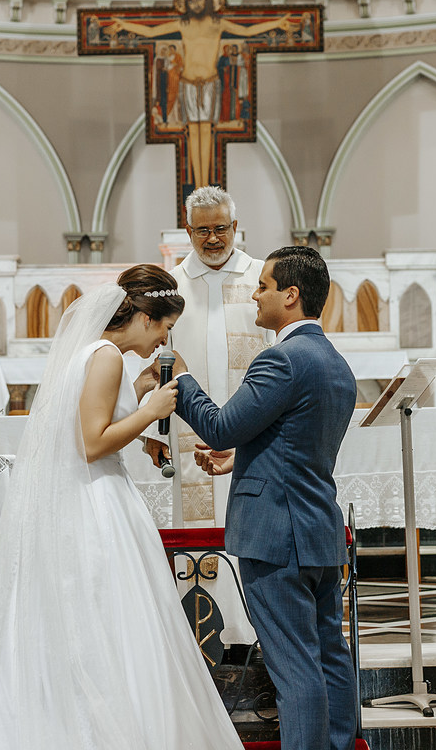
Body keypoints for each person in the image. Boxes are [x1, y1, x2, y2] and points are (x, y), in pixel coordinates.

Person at [0, 265, 243, 750]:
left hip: (83, 497)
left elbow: (84, 427)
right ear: (146, 317)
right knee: (109, 621)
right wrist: (150, 412)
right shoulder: (105, 356)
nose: (165, 340)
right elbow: (89, 443)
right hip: (94, 505)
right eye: (166, 328)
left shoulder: (95, 352)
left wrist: (142, 423)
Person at [176, 245, 358, 750]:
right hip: (317, 529)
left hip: (277, 536)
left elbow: (219, 425)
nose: (256, 295)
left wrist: (182, 375)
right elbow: (300, 443)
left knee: (295, 669)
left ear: (291, 295)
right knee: (330, 657)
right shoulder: (334, 362)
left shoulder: (280, 359)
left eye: (264, 286)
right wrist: (244, 459)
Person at [142, 185, 272, 646]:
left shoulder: (263, 279)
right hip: (188, 434)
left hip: (253, 433)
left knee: (252, 531)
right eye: (202, 230)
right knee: (197, 536)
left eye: (221, 228)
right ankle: (206, 640)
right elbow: (153, 362)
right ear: (189, 231)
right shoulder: (170, 285)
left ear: (236, 227)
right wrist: (151, 433)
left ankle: (256, 639)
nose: (212, 238)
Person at [107, 0, 295, 188]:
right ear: (185, 3)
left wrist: (277, 23)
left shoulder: (217, 24)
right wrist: (124, 25)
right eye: (190, 0)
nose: (195, 3)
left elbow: (247, 31)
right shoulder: (182, 24)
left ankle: (204, 184)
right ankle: (197, 186)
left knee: (206, 131)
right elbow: (151, 31)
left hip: (209, 83)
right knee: (192, 133)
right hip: (187, 83)